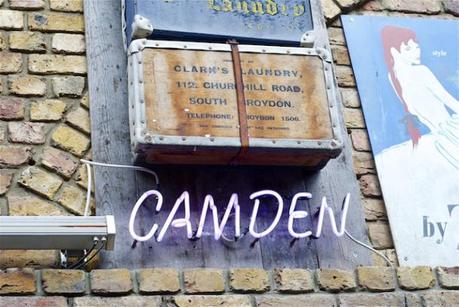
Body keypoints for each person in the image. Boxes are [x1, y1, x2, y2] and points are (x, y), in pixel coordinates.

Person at [381, 25, 459, 169]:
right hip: (450, 128)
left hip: (439, 131)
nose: (417, 52)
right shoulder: (420, 71)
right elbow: (446, 98)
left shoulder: (393, 77)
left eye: (417, 47)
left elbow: (414, 109)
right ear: (394, 51)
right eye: (409, 48)